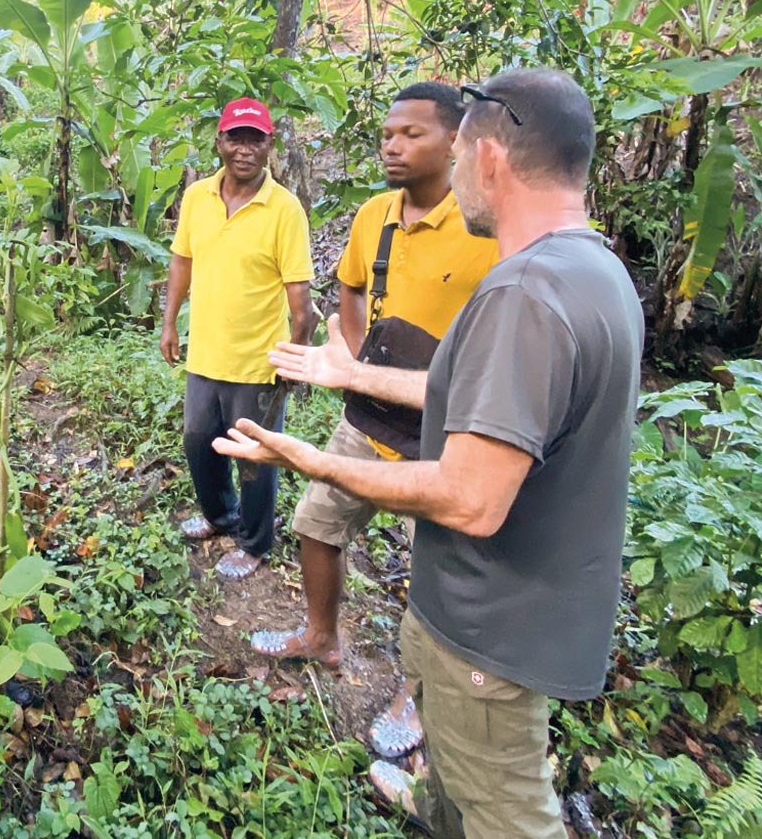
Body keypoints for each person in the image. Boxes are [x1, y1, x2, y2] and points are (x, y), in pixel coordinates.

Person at [213, 68, 644, 839]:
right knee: (462, 779)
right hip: (513, 608)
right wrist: (351, 372)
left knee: (509, 809)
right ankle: (432, 803)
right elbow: (471, 392)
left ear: (484, 159)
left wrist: (312, 461)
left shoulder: (523, 291)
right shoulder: (593, 270)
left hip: (493, 627)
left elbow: (471, 497)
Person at [248, 82, 498, 761]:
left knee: (442, 575)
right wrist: (354, 360)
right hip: (373, 415)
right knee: (316, 523)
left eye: (411, 134)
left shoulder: (487, 230)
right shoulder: (374, 217)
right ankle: (321, 635)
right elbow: (350, 287)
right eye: (387, 133)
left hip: (449, 430)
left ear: (456, 143)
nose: (392, 144)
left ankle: (416, 697)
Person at [160, 97, 315, 581]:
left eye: (255, 139)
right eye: (235, 137)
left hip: (259, 359)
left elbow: (300, 300)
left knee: (255, 460)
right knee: (198, 441)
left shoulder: (285, 210)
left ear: (270, 146)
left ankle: (253, 542)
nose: (244, 149)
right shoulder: (197, 197)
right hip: (205, 351)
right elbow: (182, 261)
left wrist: (294, 362)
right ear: (219, 141)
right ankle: (218, 515)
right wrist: (169, 321)